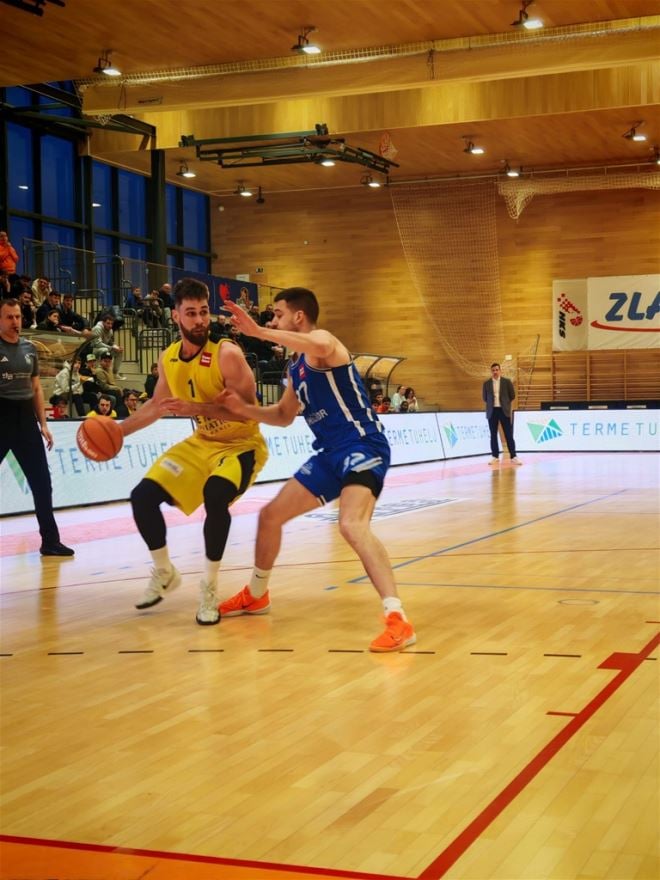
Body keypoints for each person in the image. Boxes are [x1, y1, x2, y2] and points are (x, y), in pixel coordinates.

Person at [192, 287, 416, 653]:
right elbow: (283, 416)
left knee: (351, 524)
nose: (273, 319)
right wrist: (242, 409)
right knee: (270, 517)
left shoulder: (324, 343)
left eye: (278, 314)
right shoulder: (295, 368)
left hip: (362, 445)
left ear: (298, 316)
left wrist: (258, 332)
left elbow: (321, 345)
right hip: (329, 455)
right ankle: (257, 594)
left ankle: (397, 618)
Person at [120, 277, 268, 626]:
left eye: (204, 312)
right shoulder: (168, 358)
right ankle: (164, 571)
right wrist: (118, 431)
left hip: (241, 445)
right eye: (191, 313)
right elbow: (157, 406)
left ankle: (209, 589)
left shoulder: (227, 354)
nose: (200, 320)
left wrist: (195, 408)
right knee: (142, 497)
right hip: (202, 443)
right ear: (176, 316)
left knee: (215, 495)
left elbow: (251, 411)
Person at [0, 299, 74, 556]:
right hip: (1, 416)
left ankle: (50, 542)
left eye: (18, 317)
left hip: (25, 420)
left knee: (42, 482)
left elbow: (36, 389)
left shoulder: (29, 348)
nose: (15, 322)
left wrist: (43, 423)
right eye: (9, 317)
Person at [482, 362, 521, 465]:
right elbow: (485, 398)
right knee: (493, 435)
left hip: (504, 411)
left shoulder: (506, 382)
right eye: (493, 370)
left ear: (500, 371)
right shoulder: (486, 383)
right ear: (491, 372)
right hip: (492, 411)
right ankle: (495, 456)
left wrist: (505, 403)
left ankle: (513, 456)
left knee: (508, 434)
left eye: (496, 370)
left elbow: (512, 395)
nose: (495, 372)